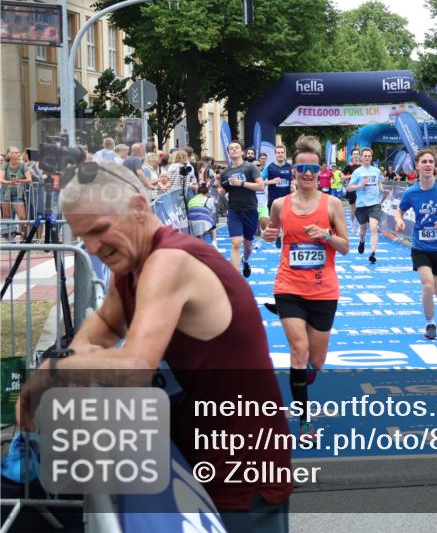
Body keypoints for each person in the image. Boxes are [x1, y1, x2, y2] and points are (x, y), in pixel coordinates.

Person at [16, 162, 292, 531]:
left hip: (241, 472)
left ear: (138, 208)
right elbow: (96, 334)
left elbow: (133, 367)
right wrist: (66, 366)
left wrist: (50, 374)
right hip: (192, 467)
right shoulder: (130, 268)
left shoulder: (169, 261)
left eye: (99, 231)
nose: (95, 249)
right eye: (85, 239)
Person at [262, 136, 349, 438]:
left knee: (316, 360)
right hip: (288, 286)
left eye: (313, 169)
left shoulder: (332, 204)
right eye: (302, 169)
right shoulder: (279, 204)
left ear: (320, 171)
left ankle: (307, 372)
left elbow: (346, 247)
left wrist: (326, 235)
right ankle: (304, 419)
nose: (308, 174)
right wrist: (267, 236)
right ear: (294, 171)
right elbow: (271, 234)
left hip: (323, 289)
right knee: (298, 350)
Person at [395, 149, 437, 340]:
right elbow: (399, 211)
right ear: (417, 165)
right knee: (428, 286)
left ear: (435, 166)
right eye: (424, 161)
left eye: (431, 161)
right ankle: (430, 323)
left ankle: (431, 313)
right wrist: (399, 220)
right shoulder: (411, 192)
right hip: (420, 247)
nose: (428, 165)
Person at [218, 142, 265, 277]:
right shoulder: (225, 172)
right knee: (236, 243)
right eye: (231, 148)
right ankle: (235, 277)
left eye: (236, 148)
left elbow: (260, 186)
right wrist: (222, 191)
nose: (234, 150)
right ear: (228, 153)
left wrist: (242, 183)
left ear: (242, 152)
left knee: (248, 245)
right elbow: (225, 189)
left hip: (250, 210)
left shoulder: (250, 167)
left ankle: (245, 260)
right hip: (234, 211)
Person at [347, 148, 383, 264]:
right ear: (361, 158)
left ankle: (373, 253)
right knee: (363, 229)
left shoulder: (376, 171)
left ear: (371, 158)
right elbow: (349, 187)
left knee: (373, 227)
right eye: (365, 156)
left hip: (375, 204)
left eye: (369, 156)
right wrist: (360, 185)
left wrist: (382, 189)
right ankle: (361, 241)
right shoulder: (357, 172)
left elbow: (379, 182)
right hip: (362, 205)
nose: (367, 158)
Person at [1, 146, 34, 241]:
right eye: (16, 152)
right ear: (11, 155)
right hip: (6, 193)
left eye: (18, 152)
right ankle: (9, 236)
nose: (19, 154)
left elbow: (29, 179)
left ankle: (23, 235)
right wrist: (9, 182)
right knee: (7, 215)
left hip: (18, 194)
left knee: (22, 217)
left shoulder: (22, 165)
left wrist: (19, 180)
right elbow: (1, 179)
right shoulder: (5, 165)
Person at [342, 149, 362, 223]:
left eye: (357, 153)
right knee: (353, 208)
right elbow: (342, 177)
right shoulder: (349, 165)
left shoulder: (362, 165)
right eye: (354, 154)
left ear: (359, 155)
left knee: (361, 207)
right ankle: (352, 223)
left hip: (361, 189)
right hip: (352, 189)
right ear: (352, 156)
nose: (356, 155)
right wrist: (351, 175)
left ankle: (360, 224)